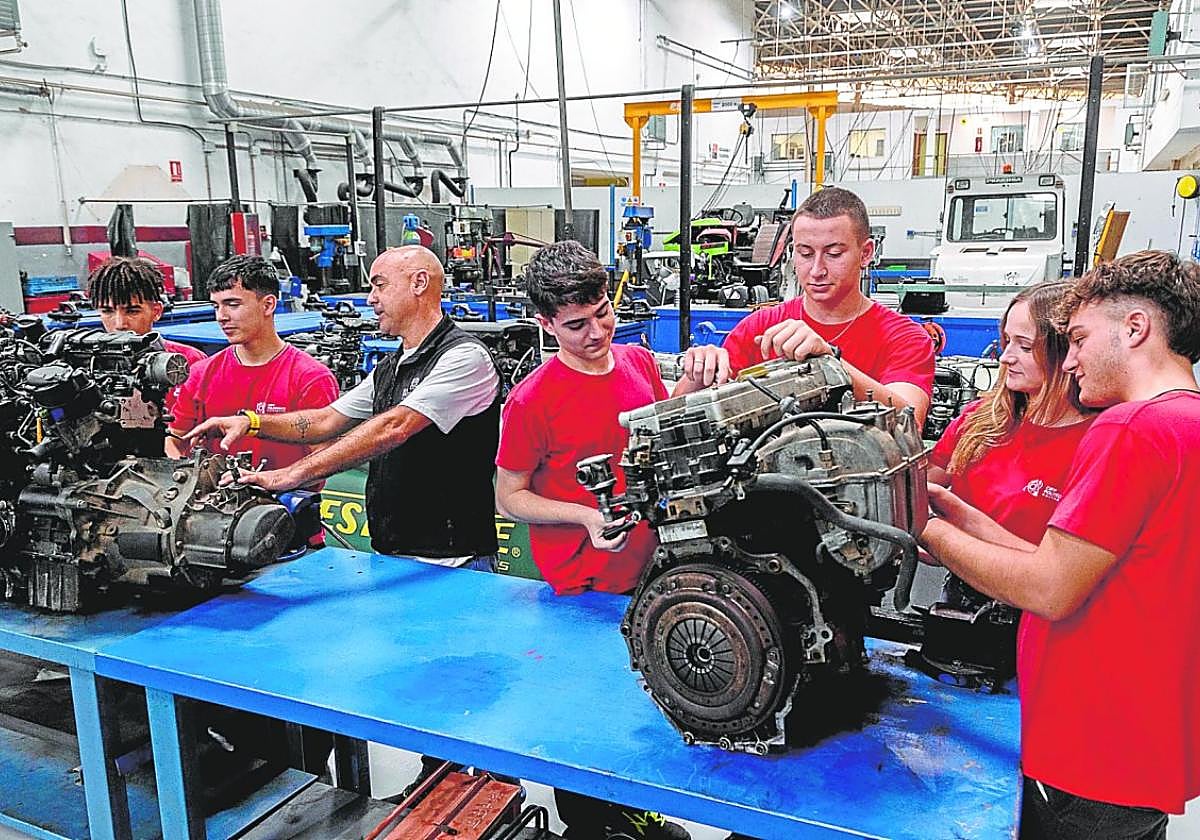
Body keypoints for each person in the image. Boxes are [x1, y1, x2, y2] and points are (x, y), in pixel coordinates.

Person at [920, 250, 1200, 839]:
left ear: (1134, 328)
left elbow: (1049, 588)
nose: (1069, 361)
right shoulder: (1186, 426)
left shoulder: (1130, 428)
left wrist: (923, 528)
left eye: (1077, 339)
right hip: (1142, 751)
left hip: (1089, 753)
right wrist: (955, 511)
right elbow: (1070, 564)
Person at [496, 240, 695, 840]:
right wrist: (584, 517)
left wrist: (692, 384)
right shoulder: (533, 399)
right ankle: (591, 824)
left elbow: (657, 435)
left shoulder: (635, 364)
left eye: (603, 312)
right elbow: (509, 496)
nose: (595, 331)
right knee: (585, 722)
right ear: (545, 323)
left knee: (643, 710)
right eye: (576, 324)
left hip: (649, 573)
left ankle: (638, 813)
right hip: (582, 590)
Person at [182, 245, 500, 567]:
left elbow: (394, 427)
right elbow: (325, 420)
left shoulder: (464, 358)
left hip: (454, 560)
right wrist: (251, 423)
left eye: (379, 285)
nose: (371, 299)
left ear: (419, 283)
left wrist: (286, 476)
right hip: (395, 554)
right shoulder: (391, 366)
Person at [918, 281, 1096, 684]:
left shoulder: (1097, 442)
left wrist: (942, 536)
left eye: (1024, 345)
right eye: (1005, 342)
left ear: (1064, 351)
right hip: (962, 611)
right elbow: (921, 487)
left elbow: (1061, 573)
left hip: (1046, 629)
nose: (1006, 358)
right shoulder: (982, 420)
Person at [674, 187, 935, 428]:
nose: (817, 270)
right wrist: (699, 372)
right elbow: (675, 413)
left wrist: (830, 363)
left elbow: (909, 421)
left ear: (866, 253)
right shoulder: (761, 327)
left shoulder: (904, 337)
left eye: (834, 254)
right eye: (805, 253)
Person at [86, 256, 208, 406]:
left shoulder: (192, 361)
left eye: (132, 311)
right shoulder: (85, 365)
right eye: (107, 311)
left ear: (156, 312)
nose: (120, 324)